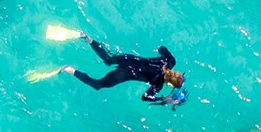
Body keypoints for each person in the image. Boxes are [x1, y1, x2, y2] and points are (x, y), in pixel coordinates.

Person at [58, 34, 187, 105]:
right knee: (98, 85)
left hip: (129, 59)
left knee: (107, 59)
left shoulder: (170, 60)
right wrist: (164, 100)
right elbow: (145, 97)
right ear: (169, 83)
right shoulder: (158, 84)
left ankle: (88, 39)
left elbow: (162, 48)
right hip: (124, 73)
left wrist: (160, 54)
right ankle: (69, 70)